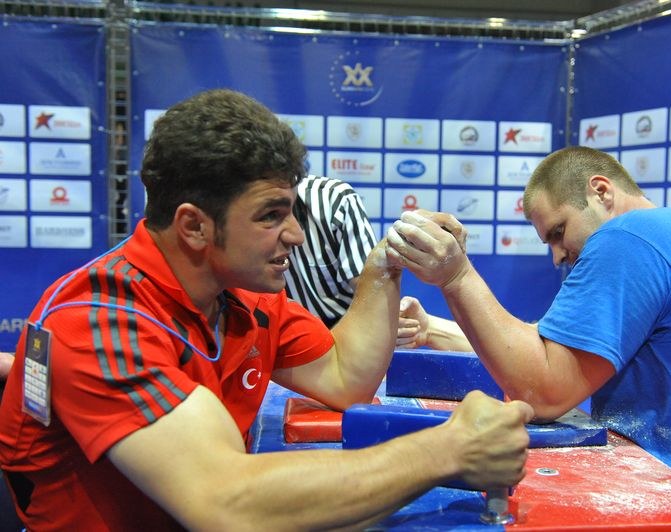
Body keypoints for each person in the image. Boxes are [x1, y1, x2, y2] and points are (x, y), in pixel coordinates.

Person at [0, 89, 534, 531]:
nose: (296, 235)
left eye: (293, 211)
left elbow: (346, 376)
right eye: (271, 215)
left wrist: (384, 266)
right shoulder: (95, 324)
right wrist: (448, 450)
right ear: (193, 226)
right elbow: (224, 503)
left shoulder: (245, 297)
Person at [385, 145, 671, 531]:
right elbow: (550, 350)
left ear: (600, 192)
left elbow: (543, 389)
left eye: (558, 231)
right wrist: (433, 329)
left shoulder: (628, 238)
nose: (557, 256)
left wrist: (456, 277)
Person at [285, 174, 377, 327]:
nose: (296, 237)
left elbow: (369, 285)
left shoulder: (335, 198)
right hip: (272, 330)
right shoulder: (237, 205)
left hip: (342, 327)